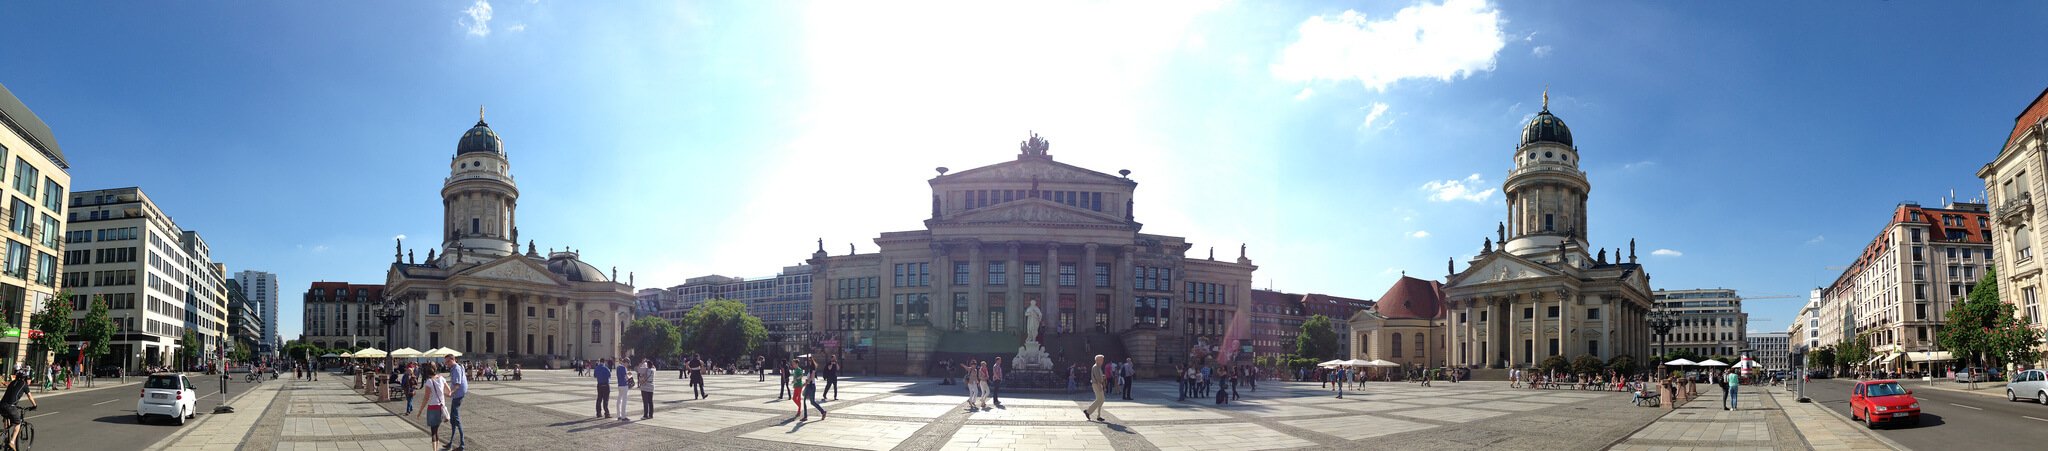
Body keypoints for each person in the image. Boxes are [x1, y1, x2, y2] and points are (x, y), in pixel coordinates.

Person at [3, 368, 38, 451]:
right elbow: (29, 396)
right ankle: (11, 442)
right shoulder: (24, 384)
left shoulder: (12, 383)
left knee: (6, 419)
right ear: (25, 378)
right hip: (10, 406)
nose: (29, 380)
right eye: (28, 378)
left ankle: (5, 437)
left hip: (1, 405)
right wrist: (35, 405)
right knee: (18, 424)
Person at [414, 364, 448, 451]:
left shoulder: (429, 381)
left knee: (433, 431)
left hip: (432, 407)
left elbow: (426, 398)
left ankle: (434, 449)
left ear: (427, 373)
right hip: (441, 407)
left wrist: (420, 411)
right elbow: (449, 391)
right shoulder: (442, 378)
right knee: (436, 429)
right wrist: (442, 396)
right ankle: (437, 446)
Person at [443, 354, 469, 451]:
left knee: (456, 420)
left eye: (448, 362)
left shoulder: (456, 368)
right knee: (453, 421)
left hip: (458, 395)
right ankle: (451, 443)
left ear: (453, 360)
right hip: (457, 395)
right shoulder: (454, 368)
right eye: (446, 362)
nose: (446, 364)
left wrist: (450, 393)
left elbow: (457, 384)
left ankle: (462, 445)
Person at [1083, 355, 1108, 422]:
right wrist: (1100, 386)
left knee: (1101, 400)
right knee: (1099, 399)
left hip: (1097, 384)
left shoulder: (1098, 367)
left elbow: (1098, 376)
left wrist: (1102, 377)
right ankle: (1088, 411)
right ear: (1097, 360)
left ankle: (1098, 415)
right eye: (1101, 360)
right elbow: (1097, 378)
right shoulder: (1096, 367)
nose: (1102, 361)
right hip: (1097, 384)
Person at [616, 357, 634, 421]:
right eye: (628, 363)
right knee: (624, 401)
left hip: (619, 385)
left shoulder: (618, 367)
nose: (628, 365)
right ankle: (623, 416)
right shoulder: (624, 368)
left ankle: (618, 415)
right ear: (625, 362)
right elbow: (626, 377)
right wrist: (630, 377)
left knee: (619, 400)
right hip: (624, 385)